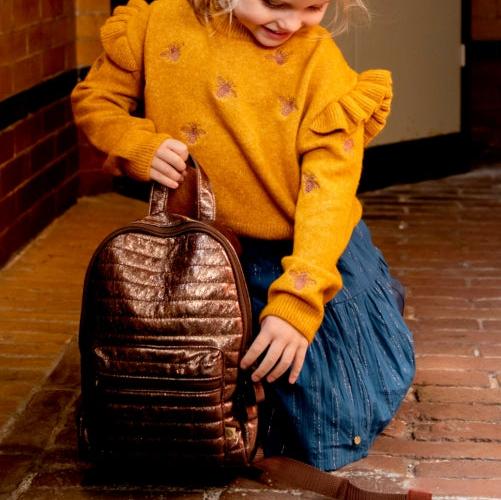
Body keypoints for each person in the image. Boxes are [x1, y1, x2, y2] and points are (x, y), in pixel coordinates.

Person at [71, 0, 415, 471]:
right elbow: (96, 101)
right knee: (184, 407)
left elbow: (330, 192)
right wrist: (135, 145)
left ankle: (368, 301)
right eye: (275, 3)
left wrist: (298, 303)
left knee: (326, 429)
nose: (290, 23)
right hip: (203, 248)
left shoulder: (320, 62)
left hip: (305, 245)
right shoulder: (153, 25)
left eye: (313, 7)